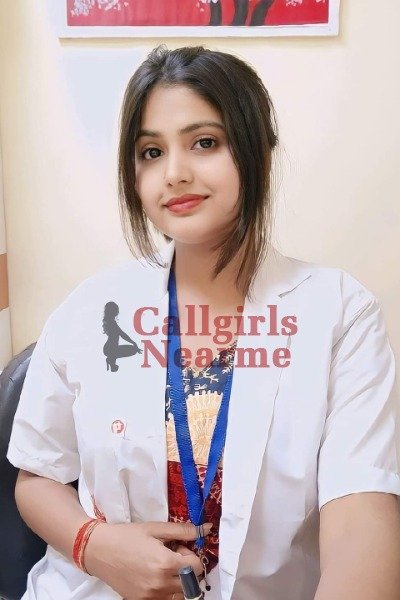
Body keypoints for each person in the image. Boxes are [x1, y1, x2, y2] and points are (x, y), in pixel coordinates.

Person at [7, 45, 400, 600]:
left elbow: (362, 515)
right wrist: (95, 545)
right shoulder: (91, 309)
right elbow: (36, 474)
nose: (174, 173)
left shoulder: (339, 313)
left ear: (259, 149)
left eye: (205, 142)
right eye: (150, 152)